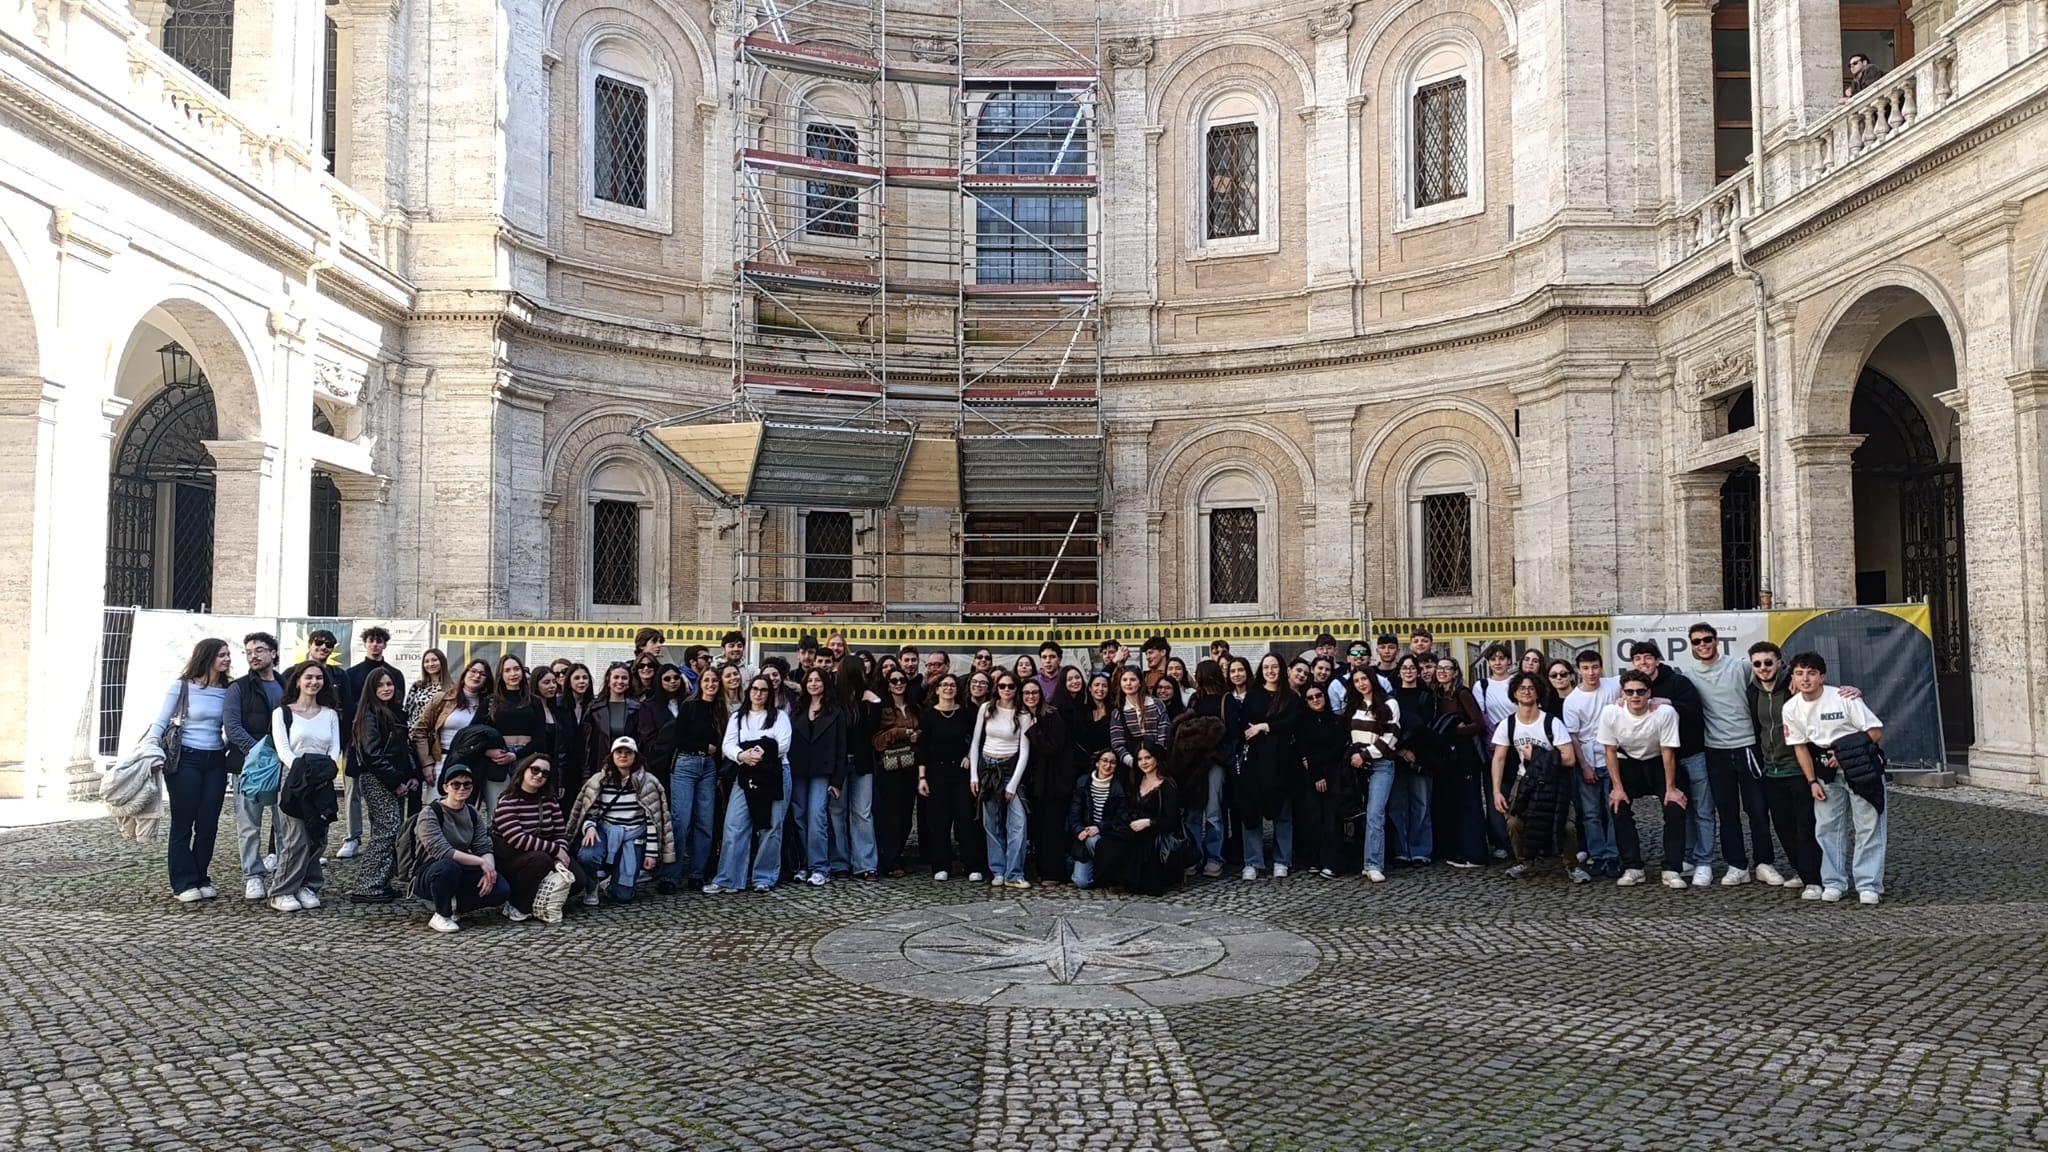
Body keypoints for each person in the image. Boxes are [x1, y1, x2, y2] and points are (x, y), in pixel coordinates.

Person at [1782, 652, 1887, 905]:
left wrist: (1844, 754)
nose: (1805, 679)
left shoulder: (1843, 697)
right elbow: (1799, 747)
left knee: (1868, 826)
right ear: (1793, 678)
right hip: (1824, 771)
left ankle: (1868, 884)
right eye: (1799, 673)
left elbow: (1875, 731)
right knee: (1827, 828)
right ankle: (1833, 882)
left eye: (1811, 673)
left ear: (1822, 677)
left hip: (1861, 767)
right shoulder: (1791, 708)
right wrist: (1811, 782)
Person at [1683, 622, 1781, 886]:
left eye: (1707, 639)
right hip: (1715, 751)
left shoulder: (1740, 667)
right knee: (1727, 813)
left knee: (1758, 810)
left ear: (1717, 641)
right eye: (1697, 641)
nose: (1702, 645)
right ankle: (1737, 865)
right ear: (1691, 646)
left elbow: (1772, 679)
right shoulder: (1689, 676)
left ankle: (1764, 863)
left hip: (1747, 746)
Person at [150, 638, 234, 903]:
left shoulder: (229, 689)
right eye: (222, 655)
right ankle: (182, 882)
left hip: (216, 759)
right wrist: (150, 748)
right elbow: (160, 722)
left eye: (228, 654)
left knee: (208, 823)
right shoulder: (182, 687)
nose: (227, 659)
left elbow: (233, 724)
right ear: (207, 657)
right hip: (185, 758)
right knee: (183, 822)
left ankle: (200, 876)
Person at [1631, 640, 1714, 886]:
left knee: (1703, 810)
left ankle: (1704, 861)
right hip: (1665, 760)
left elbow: (1695, 713)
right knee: (1680, 809)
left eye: (1648, 657)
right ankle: (1686, 856)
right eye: (1638, 658)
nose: (1643, 662)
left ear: (1658, 660)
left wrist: (1668, 703)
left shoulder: (1679, 683)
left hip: (1692, 754)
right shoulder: (1634, 688)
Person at [1489, 671, 1584, 882]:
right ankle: (1524, 862)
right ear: (1514, 693)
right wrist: (1496, 791)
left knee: (1567, 826)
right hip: (1525, 780)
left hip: (1553, 782)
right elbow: (1499, 759)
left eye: (1531, 688)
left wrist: (1537, 756)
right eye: (1522, 688)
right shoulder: (1508, 724)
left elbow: (1569, 758)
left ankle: (1572, 866)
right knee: (1514, 823)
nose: (1526, 692)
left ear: (1538, 693)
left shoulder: (1552, 722)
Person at [1598, 669, 1686, 889]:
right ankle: (1633, 867)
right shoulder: (1610, 713)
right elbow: (1609, 751)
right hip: (1627, 763)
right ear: (1623, 693)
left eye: (1640, 691)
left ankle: (1672, 869)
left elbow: (1668, 751)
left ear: (1649, 693)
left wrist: (1671, 788)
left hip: (1658, 762)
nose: (1635, 696)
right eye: (1629, 692)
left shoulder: (1665, 713)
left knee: (1675, 808)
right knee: (1618, 807)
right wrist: (1617, 788)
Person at [269, 660, 344, 912]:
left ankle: (308, 885)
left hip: (322, 781)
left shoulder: (330, 714)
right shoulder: (282, 713)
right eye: (309, 677)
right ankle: (282, 890)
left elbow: (334, 748)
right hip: (295, 781)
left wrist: (323, 774)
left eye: (318, 678)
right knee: (296, 838)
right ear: (298, 680)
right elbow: (284, 750)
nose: (314, 682)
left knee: (318, 836)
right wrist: (305, 773)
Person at [707, 676, 795, 893]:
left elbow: (783, 744)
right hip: (746, 773)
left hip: (775, 773)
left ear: (769, 693)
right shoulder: (738, 717)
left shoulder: (780, 717)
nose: (758, 693)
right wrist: (742, 755)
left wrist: (759, 753)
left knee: (771, 826)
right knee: (735, 824)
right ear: (749, 692)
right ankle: (728, 878)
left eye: (763, 690)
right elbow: (728, 744)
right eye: (755, 689)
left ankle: (764, 877)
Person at [1746, 641, 1820, 893]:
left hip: (1799, 768)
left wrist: (1851, 691)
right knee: (1784, 826)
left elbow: (1823, 694)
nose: (1763, 667)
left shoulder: (1794, 686)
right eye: (1757, 664)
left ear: (1779, 662)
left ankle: (1814, 878)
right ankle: (1801, 870)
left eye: (1768, 662)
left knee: (1806, 825)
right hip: (1771, 770)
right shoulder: (1752, 692)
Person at [567, 736, 674, 903]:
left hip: (634, 836)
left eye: (628, 752)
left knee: (623, 896)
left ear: (635, 756)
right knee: (587, 855)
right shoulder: (598, 781)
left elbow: (653, 822)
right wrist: (589, 827)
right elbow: (590, 811)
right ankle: (592, 885)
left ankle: (611, 883)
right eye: (619, 752)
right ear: (612, 756)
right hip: (604, 831)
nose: (623, 756)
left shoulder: (648, 783)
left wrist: (652, 854)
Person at [409, 759, 509, 932]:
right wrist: (481, 862)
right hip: (430, 870)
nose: (462, 788)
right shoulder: (430, 813)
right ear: (446, 787)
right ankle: (442, 914)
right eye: (455, 784)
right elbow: (442, 851)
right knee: (448, 867)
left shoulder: (472, 812)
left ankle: (456, 905)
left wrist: (489, 870)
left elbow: (483, 846)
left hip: (461, 867)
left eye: (467, 784)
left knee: (501, 889)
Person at [349, 665, 420, 904]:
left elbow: (403, 749)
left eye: (389, 684)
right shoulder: (369, 714)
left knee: (393, 830)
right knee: (386, 830)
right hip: (377, 778)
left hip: (393, 777)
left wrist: (411, 775)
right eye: (380, 685)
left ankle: (381, 882)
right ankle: (367, 885)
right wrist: (395, 781)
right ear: (371, 688)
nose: (386, 688)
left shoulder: (395, 712)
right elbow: (372, 755)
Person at [222, 632, 285, 901]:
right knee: (249, 824)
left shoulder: (286, 685)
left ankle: (284, 872)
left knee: (284, 824)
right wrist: (259, 754)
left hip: (282, 763)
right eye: (248, 652)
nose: (253, 656)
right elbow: (232, 726)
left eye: (259, 650)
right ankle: (253, 875)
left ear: (273, 653)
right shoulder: (238, 688)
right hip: (249, 765)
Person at [337, 626, 406, 861]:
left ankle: (386, 841)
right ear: (365, 643)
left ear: (385, 644)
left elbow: (397, 706)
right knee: (352, 791)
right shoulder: (352, 674)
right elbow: (348, 708)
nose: (375, 644)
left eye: (379, 641)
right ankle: (353, 837)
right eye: (371, 640)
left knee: (388, 797)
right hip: (356, 740)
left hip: (388, 743)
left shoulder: (395, 674)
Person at [656, 667, 725, 892]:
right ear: (700, 683)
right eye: (707, 680)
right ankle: (670, 875)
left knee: (704, 822)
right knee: (681, 821)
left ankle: (697, 873)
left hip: (709, 768)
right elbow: (678, 738)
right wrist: (704, 746)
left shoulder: (720, 710)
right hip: (686, 764)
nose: (711, 684)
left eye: (714, 680)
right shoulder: (690, 706)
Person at [491, 752, 581, 924]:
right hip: (512, 860)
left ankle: (538, 896)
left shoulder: (550, 801)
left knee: (577, 879)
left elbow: (560, 833)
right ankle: (517, 904)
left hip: (544, 854)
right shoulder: (507, 801)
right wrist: (555, 850)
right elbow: (517, 839)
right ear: (524, 770)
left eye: (545, 773)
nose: (539, 775)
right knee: (541, 860)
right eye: (535, 770)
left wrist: (560, 856)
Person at [1238, 654, 1301, 881]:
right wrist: (1269, 729)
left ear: (1281, 669)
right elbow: (1245, 726)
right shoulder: (1253, 695)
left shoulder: (1291, 697)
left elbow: (1293, 724)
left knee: (1283, 814)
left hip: (1283, 762)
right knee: (1252, 813)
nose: (1270, 671)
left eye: (1274, 667)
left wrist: (1265, 726)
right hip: (1256, 761)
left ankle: (1282, 860)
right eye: (1266, 667)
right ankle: (1253, 861)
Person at [1559, 650, 1621, 879]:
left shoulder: (1612, 685)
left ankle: (1614, 856)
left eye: (1595, 667)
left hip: (1613, 758)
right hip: (1588, 760)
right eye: (1585, 668)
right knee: (1591, 813)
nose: (1591, 672)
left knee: (1614, 810)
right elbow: (1573, 736)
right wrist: (1584, 765)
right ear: (1578, 670)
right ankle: (1598, 855)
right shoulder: (1572, 700)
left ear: (1601, 667)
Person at [1091, 741, 1182, 896]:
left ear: (1157, 758)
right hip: (1134, 828)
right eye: (1140, 759)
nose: (1144, 762)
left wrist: (1149, 822)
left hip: (1155, 831)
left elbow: (1172, 821)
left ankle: (1130, 881)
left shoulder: (1167, 785)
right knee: (1107, 842)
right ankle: (1114, 881)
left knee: (1137, 847)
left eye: (1148, 758)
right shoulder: (1136, 780)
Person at [917, 673, 983, 881]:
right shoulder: (928, 715)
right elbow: (922, 748)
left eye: (952, 685)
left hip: (961, 773)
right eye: (944, 685)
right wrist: (922, 777)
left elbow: (976, 740)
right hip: (936, 772)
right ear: (937, 690)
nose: (948, 688)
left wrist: (969, 756)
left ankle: (971, 866)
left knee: (965, 820)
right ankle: (941, 865)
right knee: (939, 821)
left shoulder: (965, 714)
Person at [972, 671, 1033, 889]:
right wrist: (974, 775)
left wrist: (1013, 785)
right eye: (1002, 686)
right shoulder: (986, 708)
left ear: (1017, 689)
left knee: (1018, 823)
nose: (1006, 690)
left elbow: (1024, 751)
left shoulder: (1023, 714)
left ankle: (1014, 873)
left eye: (1011, 686)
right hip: (988, 767)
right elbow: (976, 742)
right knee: (991, 822)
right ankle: (997, 870)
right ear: (996, 688)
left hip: (1010, 767)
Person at [787, 667, 847, 887]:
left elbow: (841, 747)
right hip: (799, 770)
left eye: (817, 680)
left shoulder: (835, 711)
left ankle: (820, 867)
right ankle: (805, 864)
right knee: (800, 817)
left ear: (825, 684)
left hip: (823, 772)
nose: (813, 684)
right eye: (810, 680)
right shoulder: (798, 708)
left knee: (817, 818)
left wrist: (837, 781)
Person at [1429, 657, 1491, 868]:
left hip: (1466, 755)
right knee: (1455, 804)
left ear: (1455, 672)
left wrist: (1454, 731)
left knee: (1470, 803)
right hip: (1449, 756)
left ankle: (1476, 854)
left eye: (1447, 668)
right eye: (1440, 668)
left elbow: (1479, 724)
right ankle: (1461, 850)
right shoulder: (1438, 696)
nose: (1442, 672)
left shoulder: (1462, 693)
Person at [1346, 667, 1401, 882]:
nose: (1361, 683)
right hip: (1357, 766)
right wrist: (1356, 756)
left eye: (1364, 679)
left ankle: (1373, 864)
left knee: (1375, 814)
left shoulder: (1389, 703)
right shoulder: (1354, 705)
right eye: (1357, 680)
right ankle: (1365, 860)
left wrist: (1365, 755)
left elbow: (1390, 737)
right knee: (1361, 814)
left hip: (1381, 764)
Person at [1022, 678, 1074, 885]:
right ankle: (1041, 869)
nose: (1031, 696)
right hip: (1033, 780)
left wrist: (1034, 730)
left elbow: (1052, 748)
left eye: (1034, 692)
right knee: (1037, 827)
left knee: (1052, 827)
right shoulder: (1022, 716)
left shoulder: (1051, 715)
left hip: (1052, 782)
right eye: (1026, 693)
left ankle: (1053, 872)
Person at [1389, 654, 1438, 867]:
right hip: (1396, 756)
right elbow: (1388, 725)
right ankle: (1401, 851)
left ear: (1417, 672)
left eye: (1412, 668)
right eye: (1404, 668)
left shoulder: (1427, 695)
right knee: (1397, 806)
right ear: (1399, 672)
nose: (1408, 671)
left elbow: (1425, 726)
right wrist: (1401, 750)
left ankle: (1420, 850)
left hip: (1421, 756)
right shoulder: (1392, 696)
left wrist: (1411, 749)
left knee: (1421, 805)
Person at [1296, 677, 1348, 879]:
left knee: (1332, 820)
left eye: (1318, 695)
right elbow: (1302, 750)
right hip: (1312, 777)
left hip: (1334, 775)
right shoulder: (1302, 723)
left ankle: (1332, 862)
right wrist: (1316, 772)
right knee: (1313, 818)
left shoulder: (1337, 721)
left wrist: (1313, 761)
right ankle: (1314, 859)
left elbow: (1338, 749)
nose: (1315, 700)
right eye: (1310, 698)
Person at [872, 665, 921, 877]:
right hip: (890, 767)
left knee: (906, 816)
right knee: (892, 815)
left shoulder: (914, 707)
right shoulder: (883, 709)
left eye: (902, 680)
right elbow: (876, 740)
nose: (899, 684)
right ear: (888, 685)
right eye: (894, 680)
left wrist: (917, 735)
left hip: (911, 766)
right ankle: (889, 860)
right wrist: (900, 733)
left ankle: (897, 855)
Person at [478, 655, 543, 809]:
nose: (513, 674)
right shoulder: (490, 701)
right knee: (499, 808)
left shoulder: (534, 701)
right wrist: (488, 751)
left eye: (516, 669)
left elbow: (540, 736)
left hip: (526, 758)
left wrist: (516, 755)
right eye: (507, 670)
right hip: (498, 759)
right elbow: (475, 732)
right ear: (501, 675)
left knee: (526, 808)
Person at [1067, 749, 1126, 888]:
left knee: (1094, 840)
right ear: (1097, 763)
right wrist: (1079, 830)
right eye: (1104, 761)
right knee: (1082, 882)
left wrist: (1100, 827)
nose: (1108, 765)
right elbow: (1074, 813)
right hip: (1085, 836)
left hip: (1108, 835)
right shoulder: (1082, 783)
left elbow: (1120, 819)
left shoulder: (1119, 788)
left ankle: (1110, 873)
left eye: (1113, 762)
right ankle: (1103, 872)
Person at [581, 662, 641, 778]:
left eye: (624, 678)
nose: (620, 681)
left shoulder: (637, 708)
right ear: (608, 681)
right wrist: (586, 772)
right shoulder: (594, 708)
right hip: (601, 766)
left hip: (629, 768)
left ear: (629, 682)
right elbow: (587, 744)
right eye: (616, 677)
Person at [1109, 667, 1170, 769]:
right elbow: (1117, 743)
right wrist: (1133, 762)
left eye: (1132, 680)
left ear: (1140, 683)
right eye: (1124, 680)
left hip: (1158, 762)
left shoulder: (1156, 705)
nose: (1128, 683)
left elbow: (1164, 734)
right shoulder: (1118, 713)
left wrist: (1156, 758)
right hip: (1132, 765)